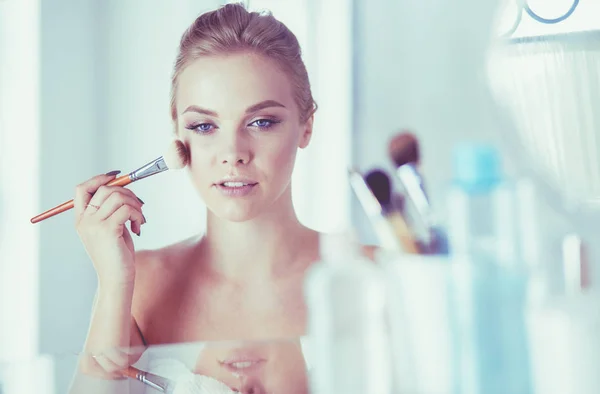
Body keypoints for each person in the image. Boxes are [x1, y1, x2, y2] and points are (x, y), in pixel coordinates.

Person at [72, 3, 372, 393]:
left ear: (306, 125)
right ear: (179, 134)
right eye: (204, 125)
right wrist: (114, 281)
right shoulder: (142, 285)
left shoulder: (370, 277)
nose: (233, 152)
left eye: (261, 122)